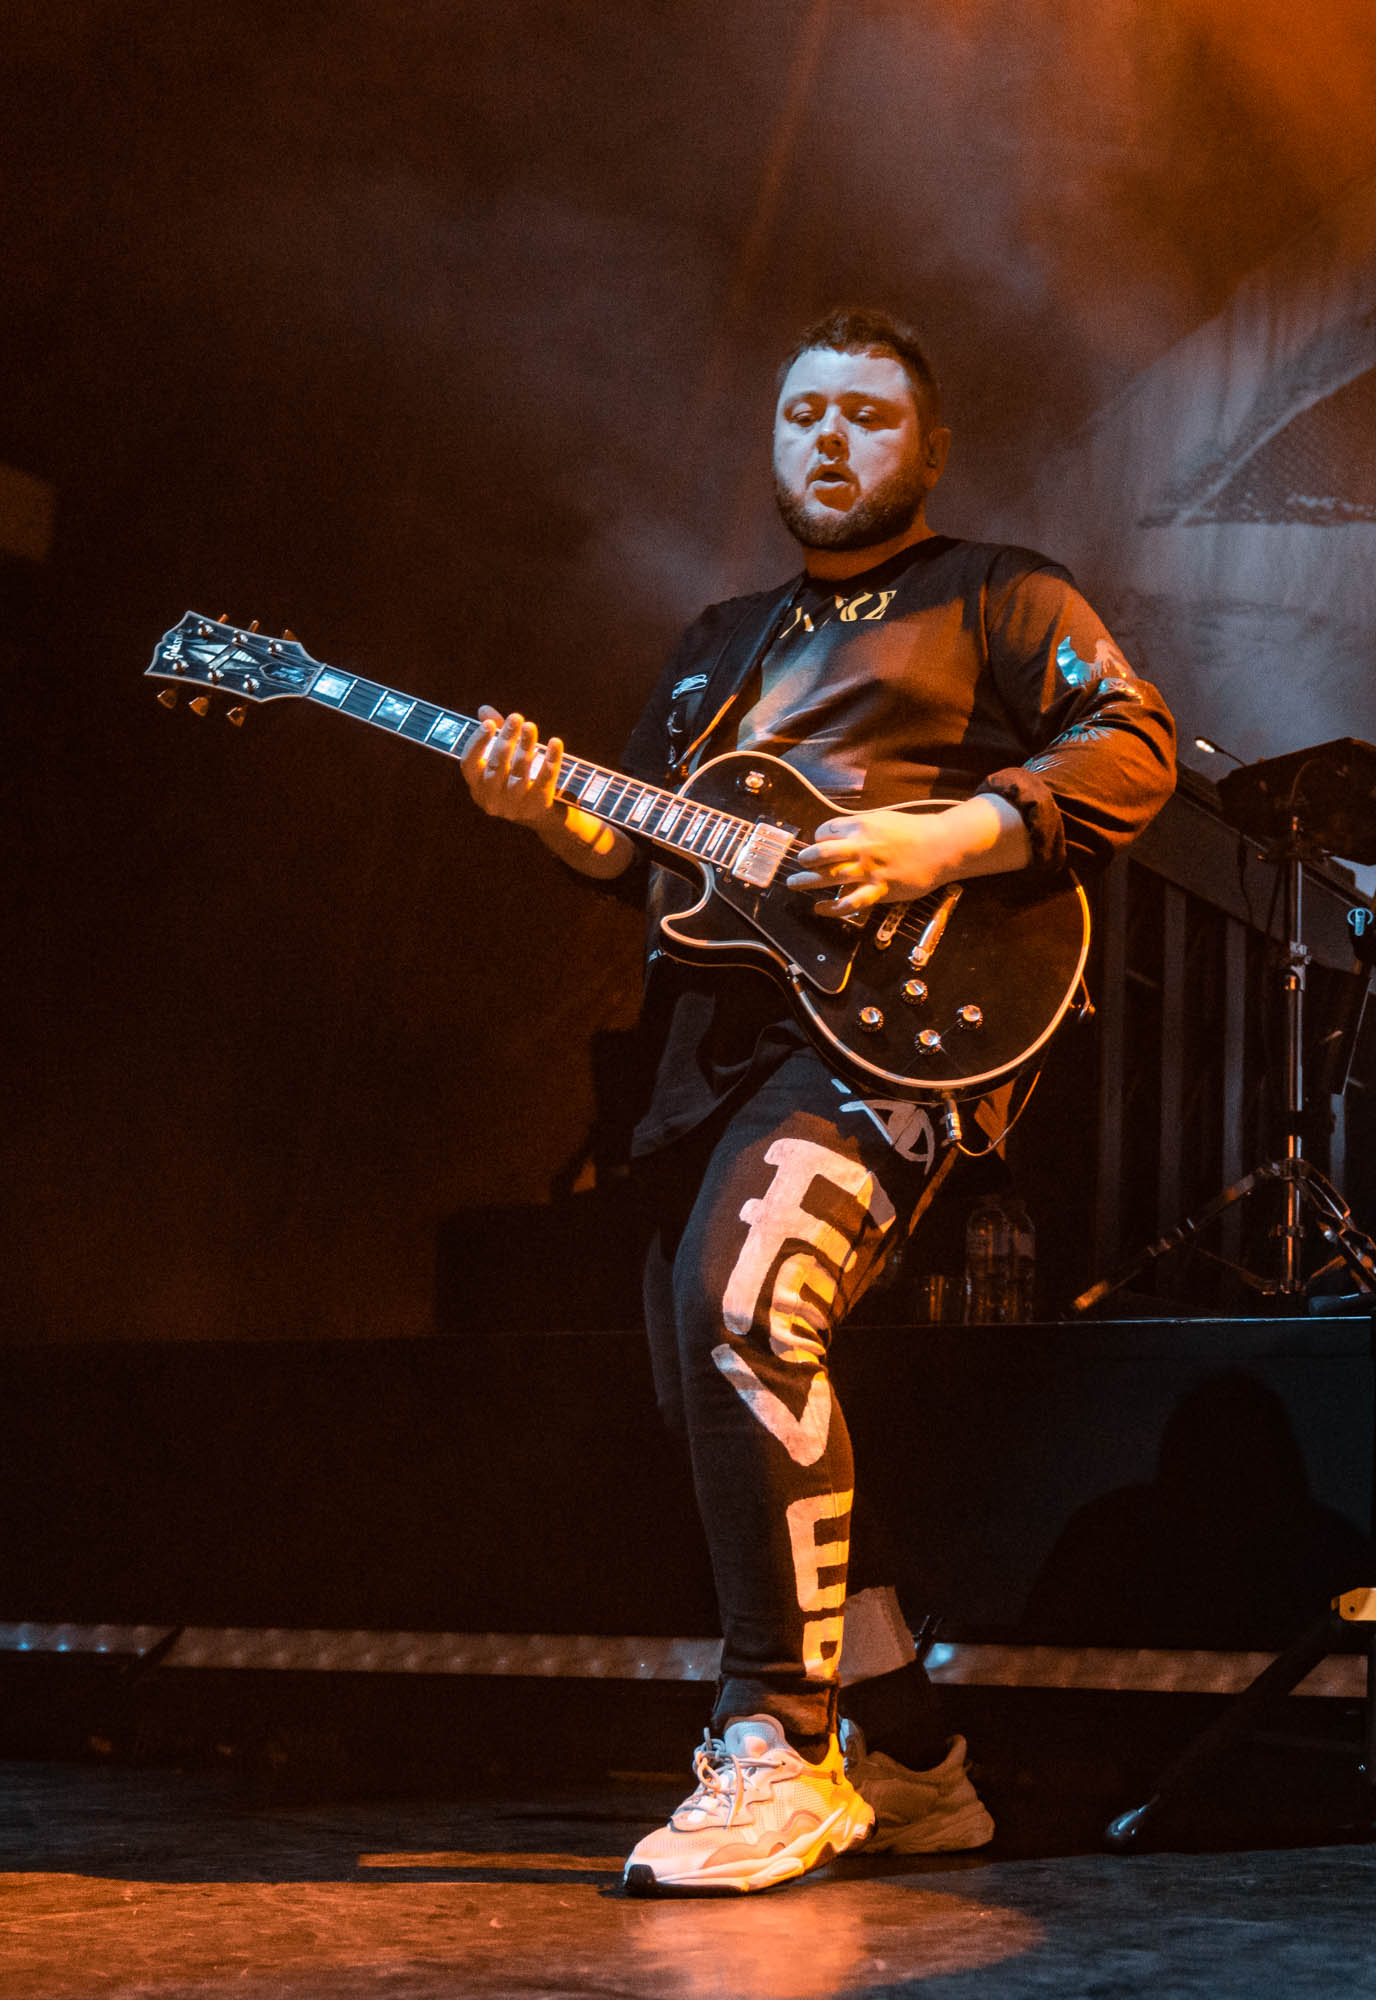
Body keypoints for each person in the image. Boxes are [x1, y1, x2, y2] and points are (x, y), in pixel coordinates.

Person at [459, 307, 1176, 1893]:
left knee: (748, 1308)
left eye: (865, 413)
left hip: (889, 1036)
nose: (830, 438)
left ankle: (780, 1746)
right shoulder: (719, 644)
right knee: (720, 1397)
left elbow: (1134, 746)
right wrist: (543, 808)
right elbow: (636, 852)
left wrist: (954, 835)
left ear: (926, 446)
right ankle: (912, 1759)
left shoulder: (1001, 594)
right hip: (705, 1059)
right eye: (803, 415)